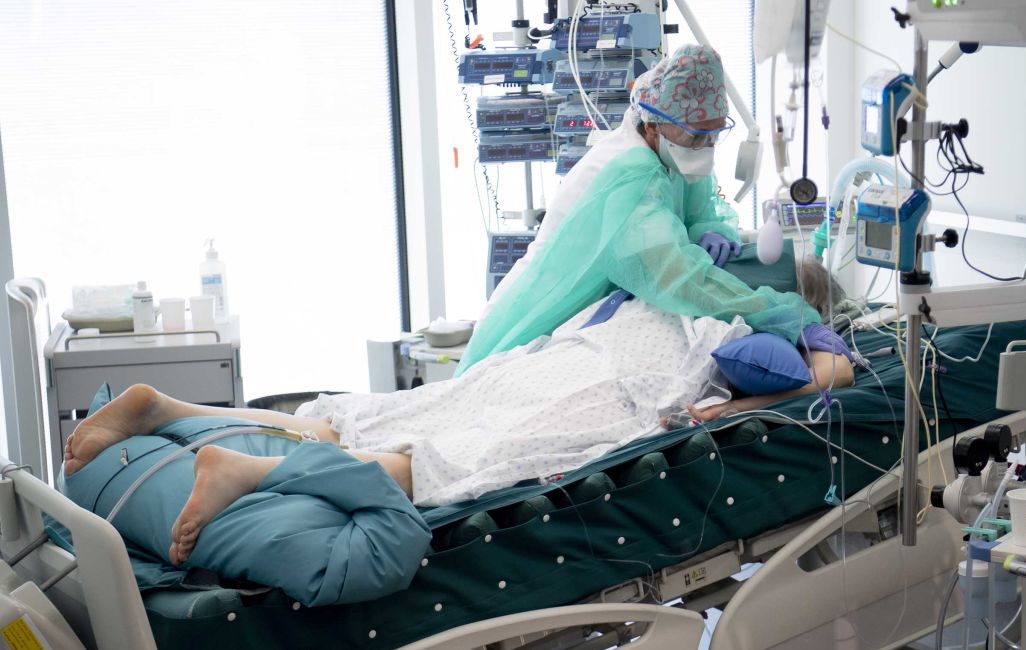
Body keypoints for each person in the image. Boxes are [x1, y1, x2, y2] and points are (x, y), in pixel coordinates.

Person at [62, 262, 850, 568]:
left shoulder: (684, 271)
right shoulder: (772, 317)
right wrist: (747, 399)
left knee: (397, 412)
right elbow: (831, 374)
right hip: (609, 392)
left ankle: (168, 408)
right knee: (450, 461)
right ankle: (248, 471)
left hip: (553, 357)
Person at [458, 44, 819, 373]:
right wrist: (783, 315)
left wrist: (714, 230)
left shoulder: (671, 152)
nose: (706, 147)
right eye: (696, 136)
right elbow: (678, 277)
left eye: (714, 134)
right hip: (535, 320)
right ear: (653, 124)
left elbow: (703, 207)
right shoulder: (629, 175)